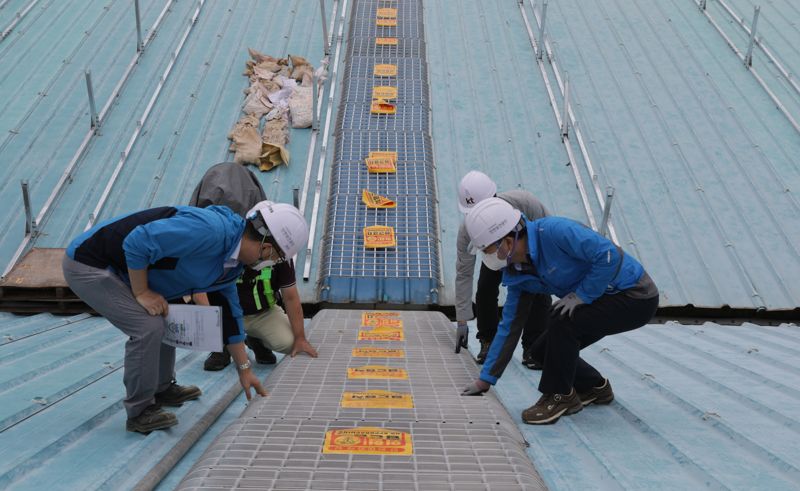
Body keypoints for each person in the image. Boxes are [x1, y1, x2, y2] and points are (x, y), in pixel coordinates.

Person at [62, 201, 306, 433]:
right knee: (148, 326)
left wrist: (244, 370)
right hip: (91, 263)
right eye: (275, 259)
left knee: (167, 315)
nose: (271, 264)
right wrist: (142, 292)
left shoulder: (232, 265)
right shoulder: (210, 230)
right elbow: (138, 242)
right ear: (266, 246)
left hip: (126, 269)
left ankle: (163, 388)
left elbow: (231, 315)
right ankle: (140, 412)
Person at [460, 198, 659, 425]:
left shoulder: (555, 232)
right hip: (602, 300)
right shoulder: (518, 274)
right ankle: (595, 387)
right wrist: (486, 379)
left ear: (507, 241)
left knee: (563, 322)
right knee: (540, 352)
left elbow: (608, 255)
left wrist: (582, 295)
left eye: (488, 250)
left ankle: (560, 396)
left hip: (634, 295)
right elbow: (509, 327)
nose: (488, 257)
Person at [187, 163, 318, 370]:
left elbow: (291, 296)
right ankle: (221, 346)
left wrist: (301, 337)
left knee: (289, 342)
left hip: (260, 314)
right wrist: (213, 329)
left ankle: (256, 339)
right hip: (223, 314)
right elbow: (198, 289)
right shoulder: (219, 244)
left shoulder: (277, 250)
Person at [454, 171, 550, 367]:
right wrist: (462, 320)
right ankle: (488, 341)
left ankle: (534, 348)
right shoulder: (468, 231)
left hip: (528, 252)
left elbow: (548, 233)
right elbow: (464, 273)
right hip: (495, 256)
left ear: (495, 197)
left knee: (539, 291)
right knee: (486, 288)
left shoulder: (525, 202)